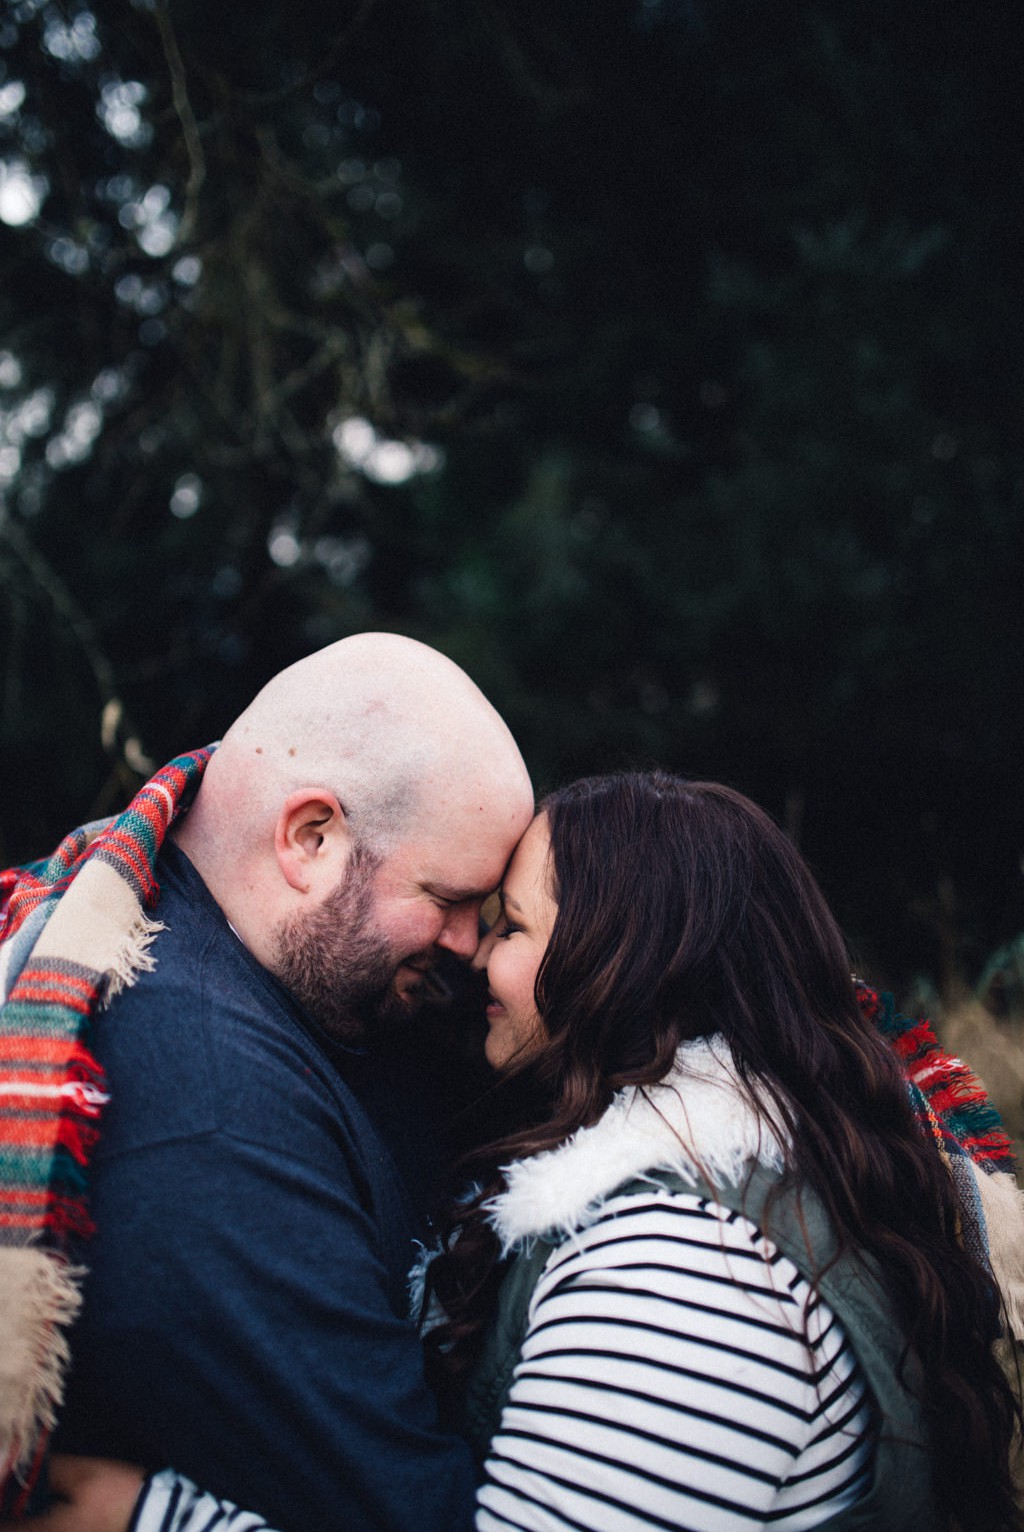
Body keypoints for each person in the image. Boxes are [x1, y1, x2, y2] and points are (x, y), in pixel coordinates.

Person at [41, 771, 1024, 1532]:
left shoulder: (682, 1269)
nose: (471, 953)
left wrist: (153, 1516)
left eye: (509, 924)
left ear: (625, 962)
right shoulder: (737, 1185)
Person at [0, 633, 534, 1531]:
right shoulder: (208, 1118)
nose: (470, 947)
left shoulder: (312, 980)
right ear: (310, 837)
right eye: (448, 899)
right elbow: (407, 1514)